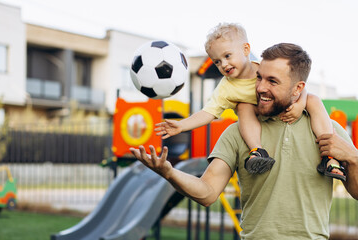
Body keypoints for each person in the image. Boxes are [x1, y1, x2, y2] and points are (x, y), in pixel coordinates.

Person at [130, 43, 358, 239]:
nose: (260, 87)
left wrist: (353, 158)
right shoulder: (237, 132)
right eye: (259, 77)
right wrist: (169, 173)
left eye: (272, 81)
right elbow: (208, 192)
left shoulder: (329, 130)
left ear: (298, 88)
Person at [155, 23, 346, 180]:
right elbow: (208, 113)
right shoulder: (227, 87)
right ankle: (258, 151)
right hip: (258, 117)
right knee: (244, 106)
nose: (224, 64)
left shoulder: (263, 69)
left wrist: (300, 104)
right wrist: (182, 125)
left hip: (285, 108)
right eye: (217, 61)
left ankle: (330, 156)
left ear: (246, 49)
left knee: (314, 100)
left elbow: (299, 87)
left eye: (227, 56)